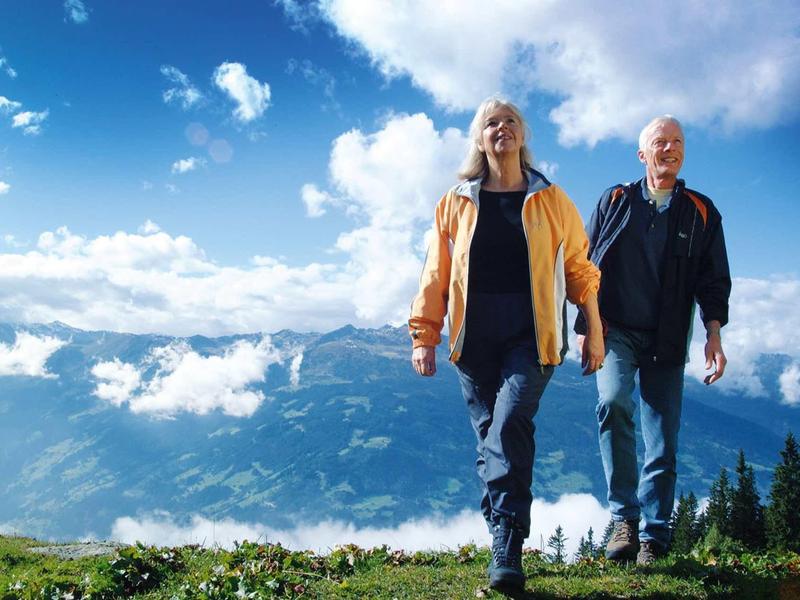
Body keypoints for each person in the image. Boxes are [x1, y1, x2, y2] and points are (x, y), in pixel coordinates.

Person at [409, 96, 604, 594]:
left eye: (511, 121)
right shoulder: (454, 204)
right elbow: (437, 273)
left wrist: (593, 327)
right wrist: (425, 334)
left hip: (533, 333)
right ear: (479, 138)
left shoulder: (552, 200)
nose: (502, 128)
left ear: (523, 135)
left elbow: (579, 268)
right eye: (491, 123)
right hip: (474, 336)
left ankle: (508, 545)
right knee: (490, 436)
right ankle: (503, 536)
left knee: (510, 423)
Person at [575, 115, 731, 565]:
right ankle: (624, 518)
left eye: (677, 142)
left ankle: (654, 537)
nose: (670, 149)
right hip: (615, 331)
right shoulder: (617, 199)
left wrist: (713, 335)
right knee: (613, 403)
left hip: (666, 335)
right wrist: (588, 330)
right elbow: (586, 267)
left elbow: (713, 279)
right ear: (642, 154)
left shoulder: (701, 211)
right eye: (660, 142)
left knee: (662, 439)